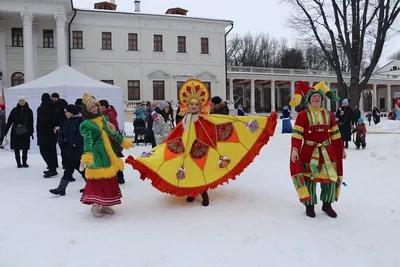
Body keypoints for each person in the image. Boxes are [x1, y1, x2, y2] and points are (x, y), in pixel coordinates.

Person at [126, 79, 278, 207]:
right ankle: (192, 193)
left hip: (202, 148)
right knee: (190, 170)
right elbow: (176, 133)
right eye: (191, 105)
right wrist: (167, 144)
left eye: (196, 105)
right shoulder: (185, 119)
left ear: (200, 106)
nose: (193, 107)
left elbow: (218, 124)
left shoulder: (204, 118)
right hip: (187, 149)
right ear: (187, 106)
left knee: (201, 171)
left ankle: (203, 194)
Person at [289, 81, 346, 218]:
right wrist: (295, 149)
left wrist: (341, 149)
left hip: (327, 151)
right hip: (309, 151)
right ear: (309, 99)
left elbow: (336, 134)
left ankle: (327, 205)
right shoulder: (302, 115)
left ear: (322, 99)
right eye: (314, 96)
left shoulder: (329, 114)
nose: (316, 98)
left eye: (319, 96)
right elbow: (297, 134)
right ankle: (310, 205)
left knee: (330, 178)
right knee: (309, 178)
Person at [79, 94, 132, 218]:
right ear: (87, 109)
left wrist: (123, 141)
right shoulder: (86, 124)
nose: (95, 109)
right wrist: (87, 155)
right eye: (91, 107)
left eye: (96, 106)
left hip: (108, 152)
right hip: (96, 154)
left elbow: (113, 133)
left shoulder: (104, 118)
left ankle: (106, 205)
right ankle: (95, 206)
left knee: (109, 179)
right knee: (98, 180)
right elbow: (87, 141)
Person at [49, 105, 84, 195]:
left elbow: (81, 134)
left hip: (76, 148)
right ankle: (92, 186)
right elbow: (63, 132)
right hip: (69, 148)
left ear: (72, 112)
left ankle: (61, 188)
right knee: (80, 168)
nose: (65, 114)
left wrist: (75, 142)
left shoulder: (80, 121)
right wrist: (60, 138)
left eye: (67, 112)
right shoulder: (68, 121)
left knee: (69, 167)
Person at [99, 99, 125, 184]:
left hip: (111, 140)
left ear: (103, 106)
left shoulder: (109, 113)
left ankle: (119, 177)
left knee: (113, 159)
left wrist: (110, 138)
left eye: (99, 106)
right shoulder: (106, 113)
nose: (98, 108)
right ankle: (118, 177)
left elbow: (114, 127)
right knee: (112, 159)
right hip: (109, 139)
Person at [4, 97, 34, 168]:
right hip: (15, 131)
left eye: (23, 100)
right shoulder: (14, 110)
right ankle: (18, 163)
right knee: (16, 147)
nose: (21, 102)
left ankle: (24, 162)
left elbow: (31, 122)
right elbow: (10, 121)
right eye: (20, 100)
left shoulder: (29, 111)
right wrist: (5, 130)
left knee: (25, 148)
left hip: (25, 131)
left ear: (25, 101)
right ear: (18, 102)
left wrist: (31, 132)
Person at [37, 93, 58, 178]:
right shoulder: (53, 107)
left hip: (43, 133)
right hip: (51, 133)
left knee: (44, 151)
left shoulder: (42, 108)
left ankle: (52, 168)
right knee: (51, 151)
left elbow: (41, 122)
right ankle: (52, 167)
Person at [51, 93, 68, 168]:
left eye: (56, 97)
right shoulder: (50, 106)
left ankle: (65, 163)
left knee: (63, 146)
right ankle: (54, 163)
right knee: (52, 147)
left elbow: (65, 117)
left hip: (62, 128)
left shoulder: (63, 105)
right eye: (53, 97)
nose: (54, 99)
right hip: (52, 128)